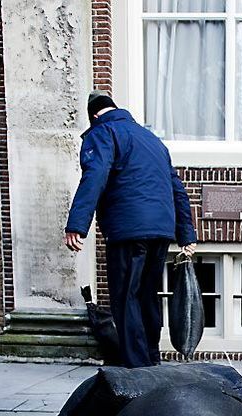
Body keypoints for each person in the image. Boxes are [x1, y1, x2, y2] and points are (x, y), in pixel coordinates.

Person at [63, 92, 198, 368]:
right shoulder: (152, 140)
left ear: (94, 116)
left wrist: (77, 223)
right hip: (161, 231)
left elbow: (95, 175)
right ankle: (151, 358)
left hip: (128, 229)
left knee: (126, 299)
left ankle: (136, 369)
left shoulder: (103, 132)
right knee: (147, 296)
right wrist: (186, 234)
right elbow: (178, 189)